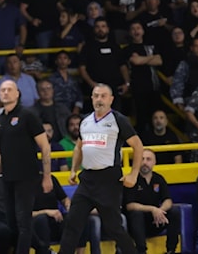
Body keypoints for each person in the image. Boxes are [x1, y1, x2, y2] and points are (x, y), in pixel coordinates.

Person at [57, 84, 143, 254]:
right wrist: (73, 169)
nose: (99, 99)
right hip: (87, 179)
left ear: (111, 99)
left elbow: (138, 146)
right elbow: (79, 147)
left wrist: (133, 174)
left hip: (109, 179)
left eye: (103, 96)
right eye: (96, 96)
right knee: (72, 222)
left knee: (113, 228)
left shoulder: (118, 120)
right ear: (91, 98)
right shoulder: (86, 121)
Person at [0, 79, 53, 254]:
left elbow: (45, 146)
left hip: (27, 176)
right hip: (7, 178)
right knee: (12, 223)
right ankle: (43, 250)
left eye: (9, 89)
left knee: (24, 222)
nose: (5, 92)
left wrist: (47, 175)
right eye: (2, 90)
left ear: (17, 93)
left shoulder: (28, 115)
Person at [123, 150, 180, 254]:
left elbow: (168, 200)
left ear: (154, 162)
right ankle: (141, 251)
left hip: (155, 221)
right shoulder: (131, 179)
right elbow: (129, 205)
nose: (145, 162)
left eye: (148, 159)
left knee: (174, 212)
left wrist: (160, 211)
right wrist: (152, 209)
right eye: (142, 159)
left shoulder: (159, 178)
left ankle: (171, 250)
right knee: (136, 214)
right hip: (135, 224)